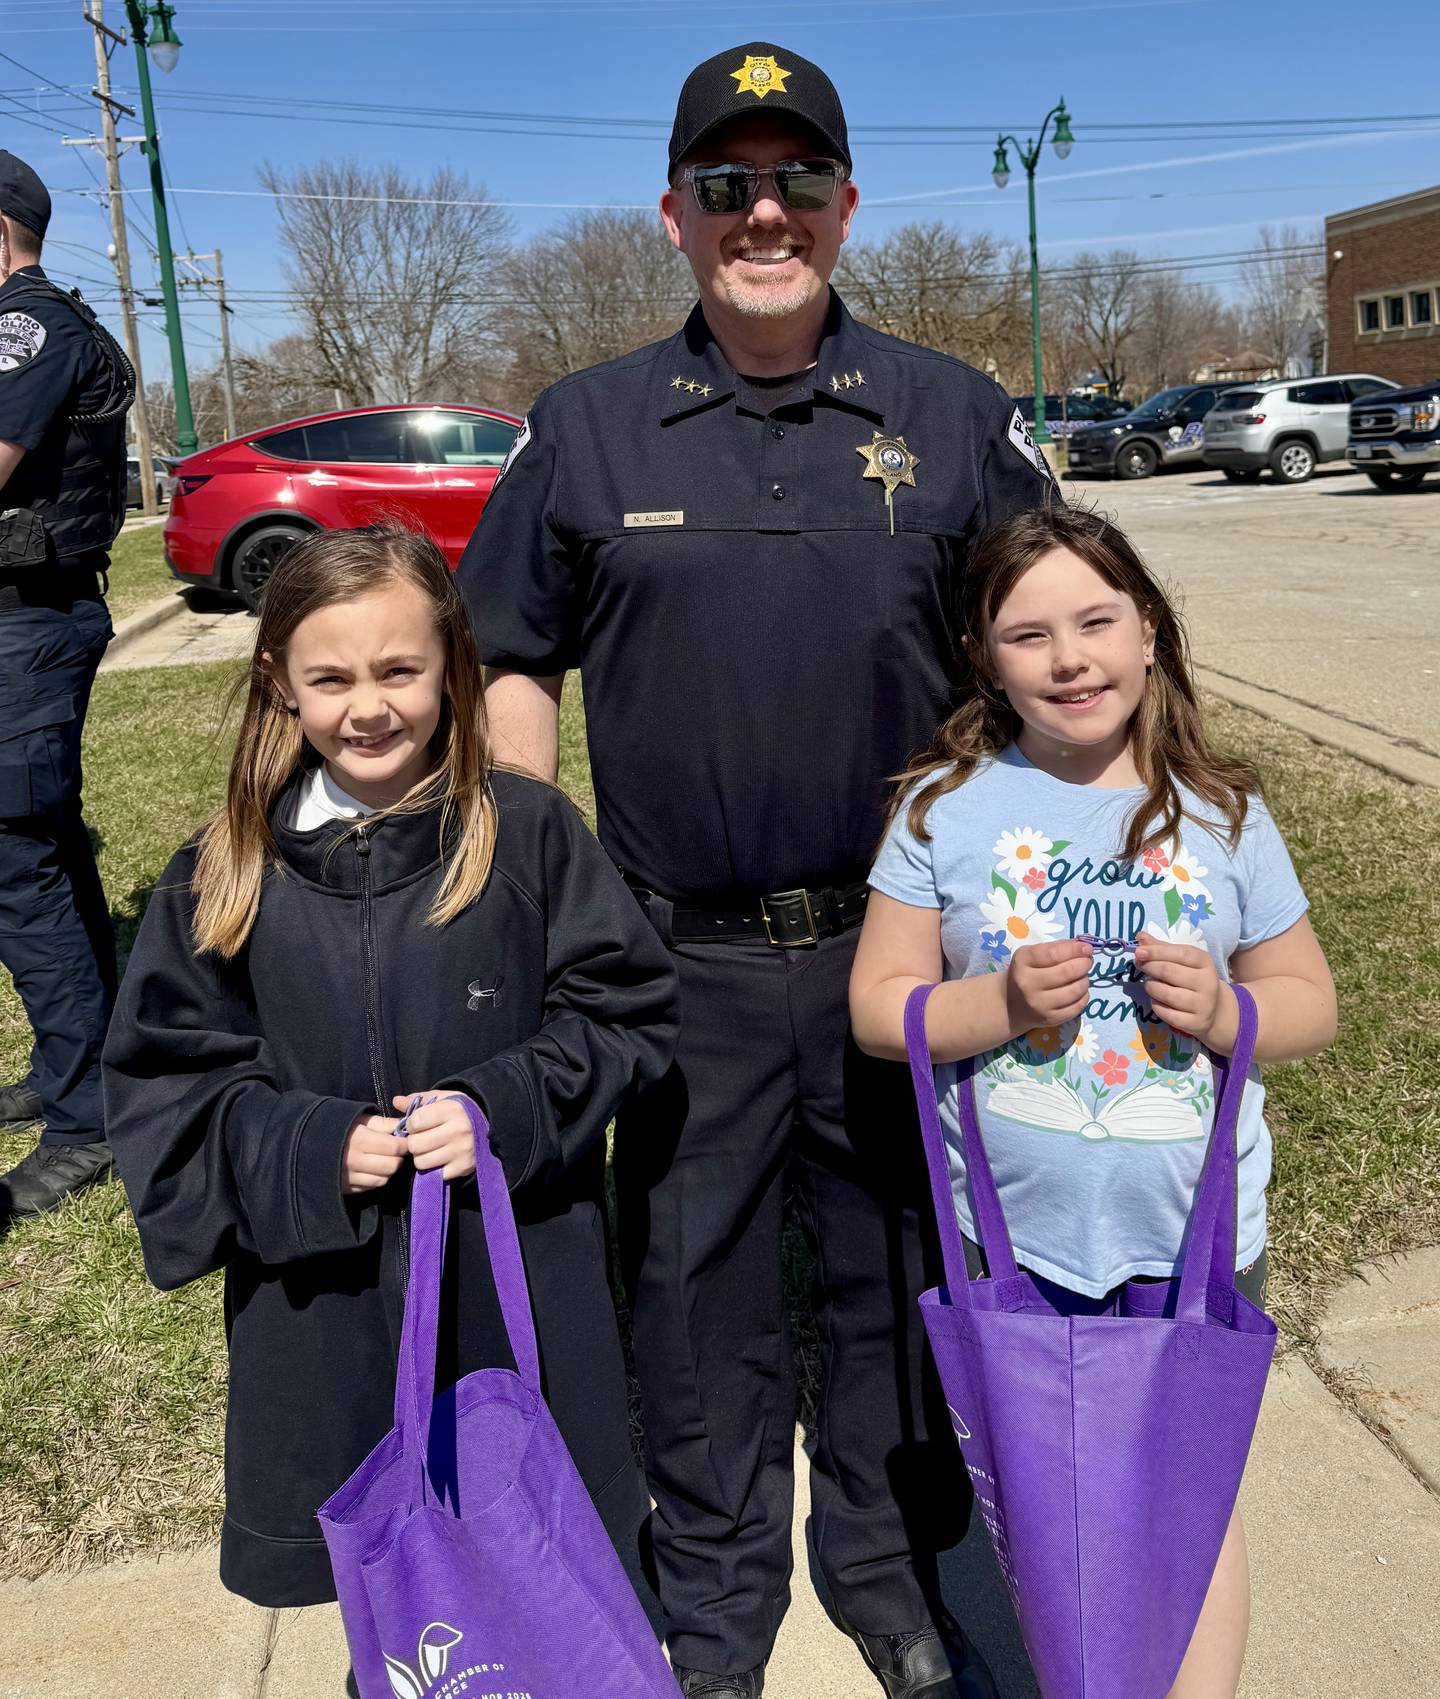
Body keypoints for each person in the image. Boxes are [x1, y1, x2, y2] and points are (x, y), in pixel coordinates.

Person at [457, 41, 1054, 1699]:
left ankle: (891, 1570)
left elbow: (1060, 646)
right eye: (727, 184)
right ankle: (714, 1604)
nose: (764, 213)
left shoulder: (954, 416)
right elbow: (512, 650)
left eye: (797, 181)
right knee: (691, 1286)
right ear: (674, 213)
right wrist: (534, 886)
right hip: (678, 956)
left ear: (849, 205)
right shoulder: (584, 426)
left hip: (901, 954)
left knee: (893, 1268)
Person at [100, 526, 678, 1634]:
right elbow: (164, 1094)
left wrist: (506, 1105)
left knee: (540, 1561)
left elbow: (626, 1011)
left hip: (510, 1278)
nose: (368, 706)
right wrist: (313, 1149)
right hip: (323, 1309)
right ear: (280, 681)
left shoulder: (527, 834)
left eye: (399, 669)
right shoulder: (222, 871)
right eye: (331, 678)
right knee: (397, 1597)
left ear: (452, 664)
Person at [849, 504, 1337, 1698]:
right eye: (1029, 635)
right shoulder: (943, 807)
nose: (1070, 659)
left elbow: (1309, 1003)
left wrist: (1226, 1013)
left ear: (1150, 632)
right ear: (983, 658)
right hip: (1016, 1236)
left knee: (1190, 1499)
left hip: (1195, 1235)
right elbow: (877, 1005)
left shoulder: (1222, 809)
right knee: (1054, 1505)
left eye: (1097, 622)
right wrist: (1002, 1001)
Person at [0, 148, 133, 1218]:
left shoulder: (25, 327)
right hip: (28, 622)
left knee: (18, 862)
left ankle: (90, 1117)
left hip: (28, 624)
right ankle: (75, 1068)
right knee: (44, 848)